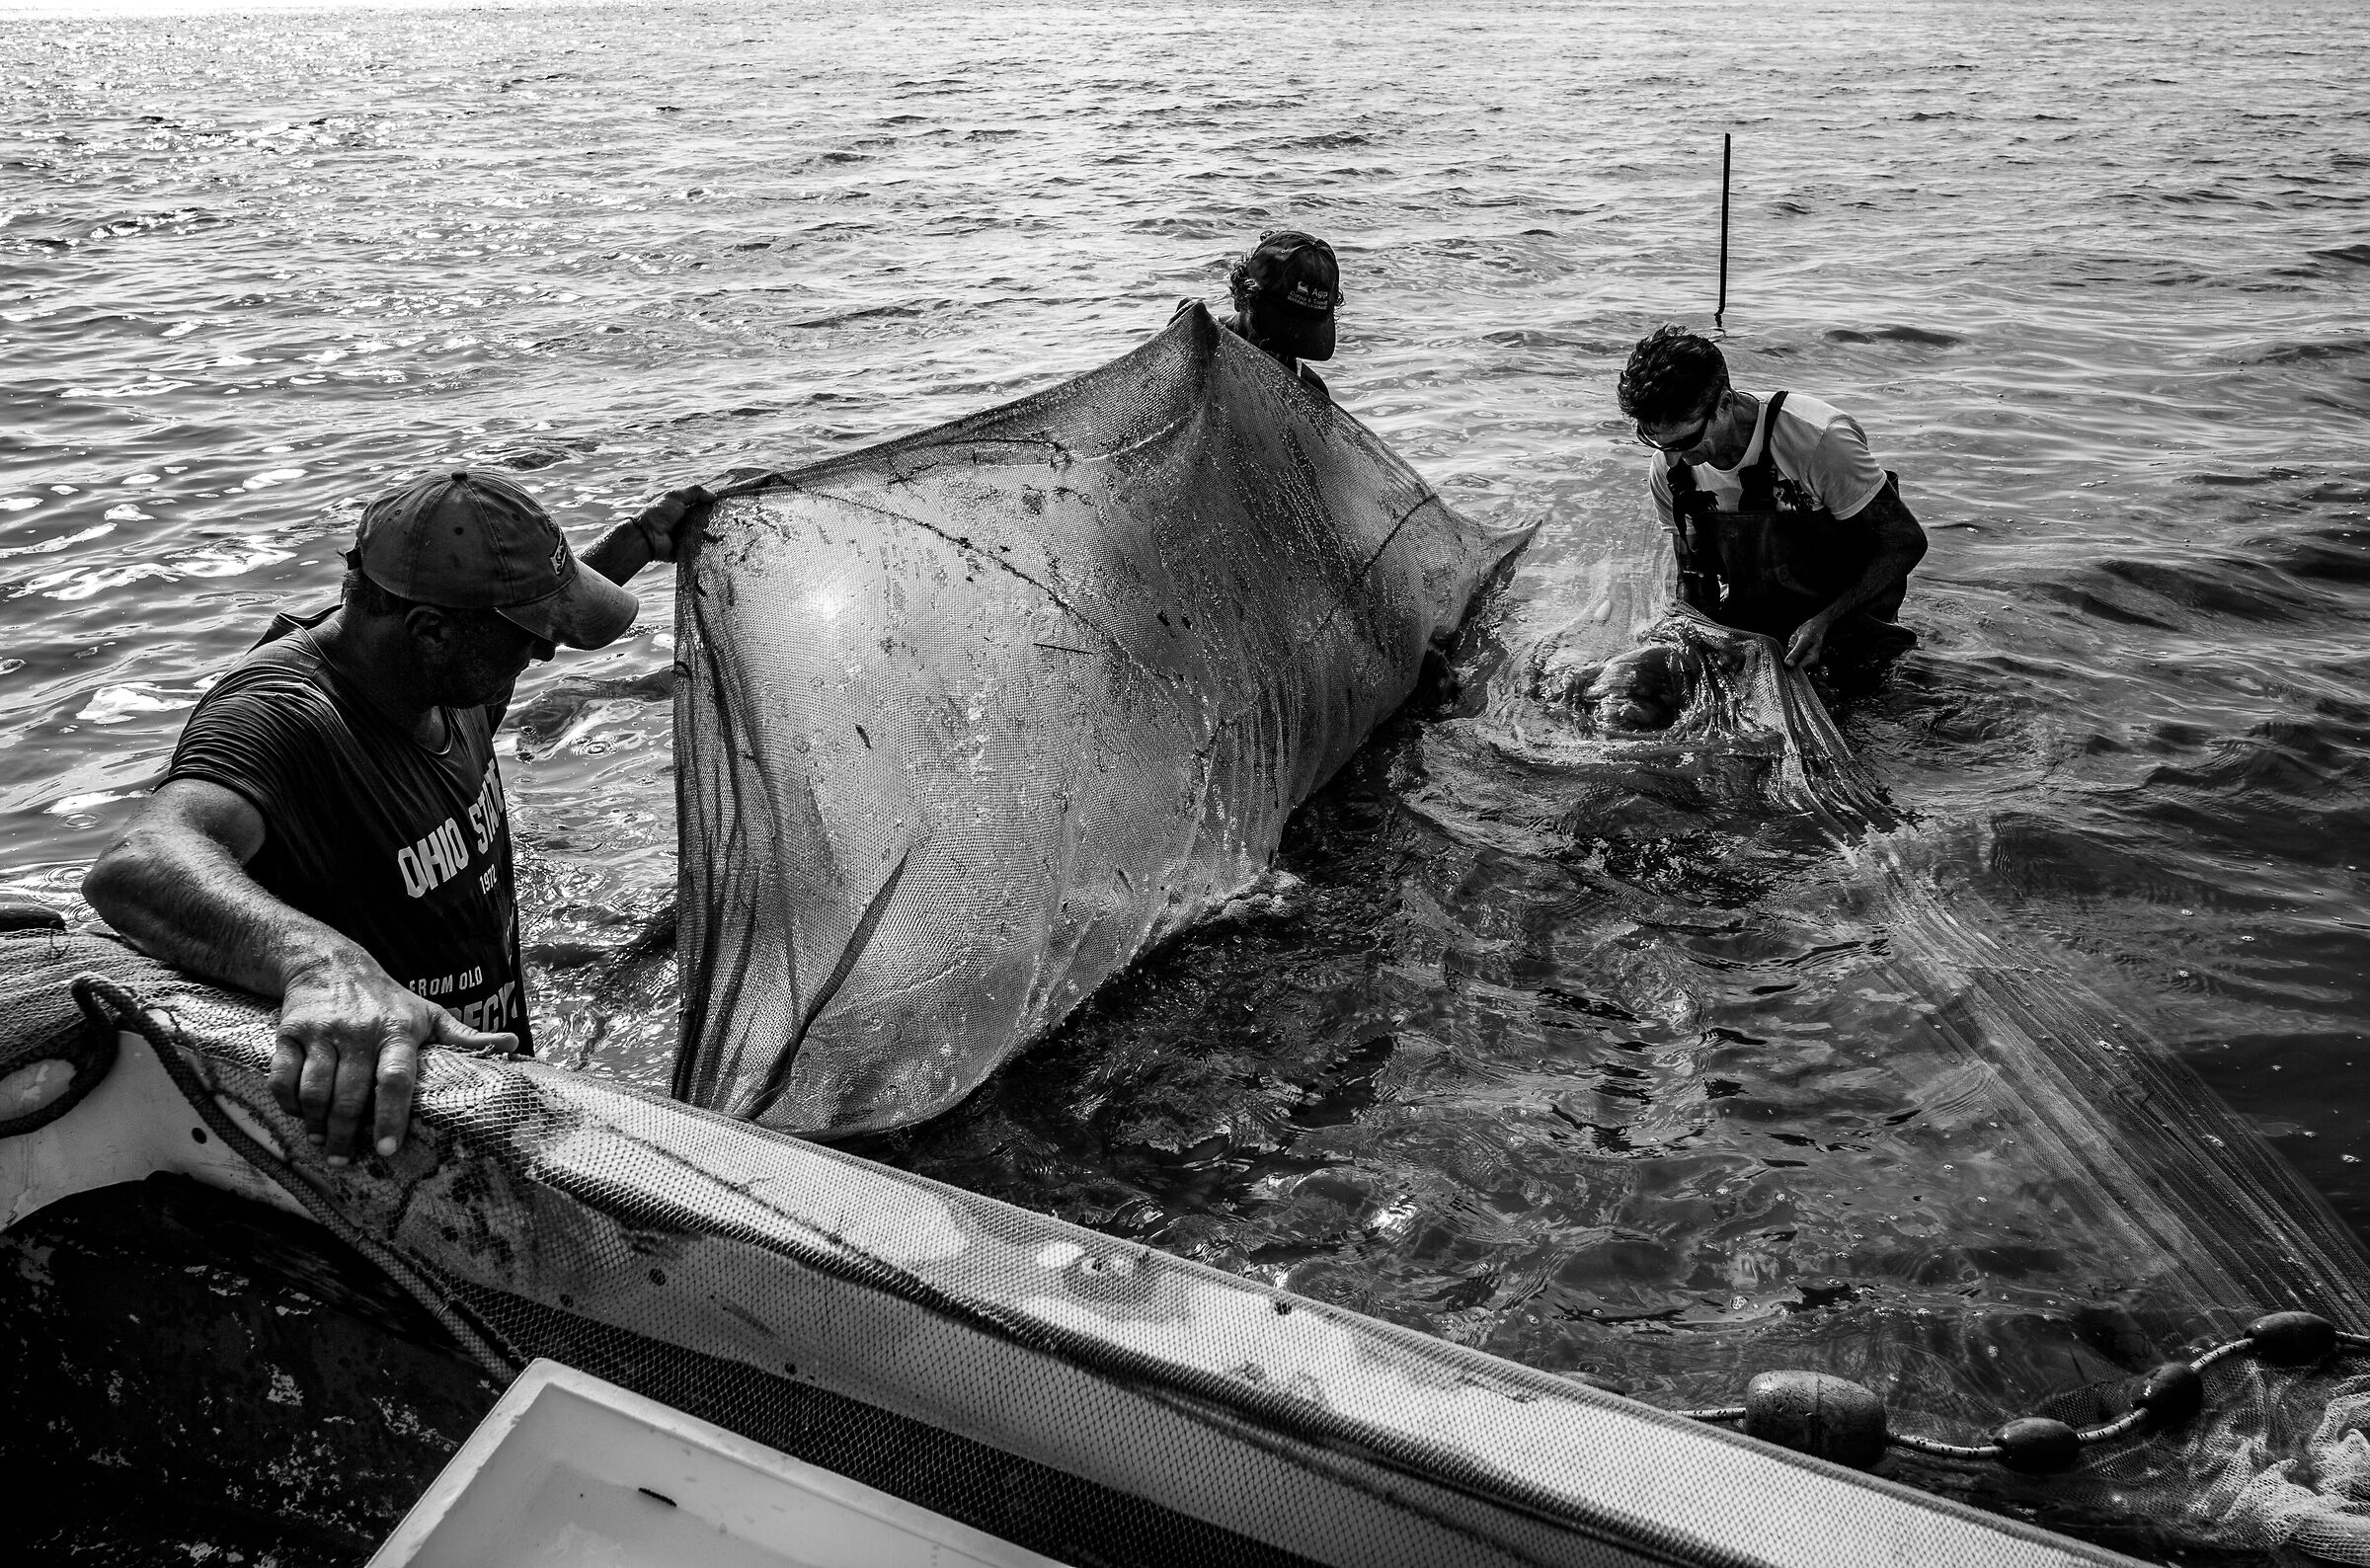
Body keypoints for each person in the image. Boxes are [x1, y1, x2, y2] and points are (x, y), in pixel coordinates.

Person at [82, 469, 710, 1166]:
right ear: (432, 631)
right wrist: (324, 967)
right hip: (383, 1114)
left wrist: (638, 545)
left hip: (487, 1082)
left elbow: (498, 625)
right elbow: (141, 863)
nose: (543, 652)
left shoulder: (439, 670)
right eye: (533, 635)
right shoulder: (286, 717)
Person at [1616, 325, 1927, 672]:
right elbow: (1694, 574)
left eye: (1687, 441)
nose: (1675, 456)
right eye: (1654, 440)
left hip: (1850, 622)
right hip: (1756, 626)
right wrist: (1693, 643)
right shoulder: (1668, 466)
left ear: (1724, 404)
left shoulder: (1819, 441)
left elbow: (1905, 542)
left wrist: (1827, 621)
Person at [1192, 229, 1344, 401]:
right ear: (1242, 298)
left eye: (1299, 341)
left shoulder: (1310, 391)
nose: (1282, 351)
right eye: (1278, 331)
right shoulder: (1199, 348)